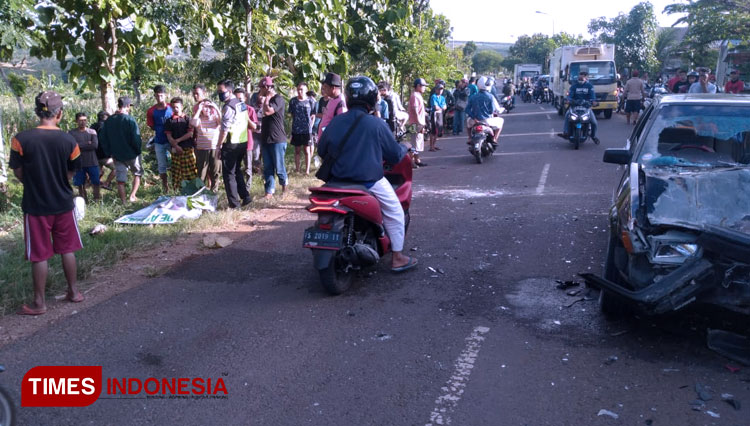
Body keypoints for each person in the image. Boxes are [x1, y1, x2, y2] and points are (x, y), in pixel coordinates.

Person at [318, 76, 418, 273]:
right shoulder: (376, 124)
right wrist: (405, 146)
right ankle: (397, 258)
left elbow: (322, 150)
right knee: (395, 212)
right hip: (368, 183)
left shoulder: (336, 122)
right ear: (373, 99)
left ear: (347, 97)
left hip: (335, 182)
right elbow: (393, 155)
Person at [9, 91, 84, 315]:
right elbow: (72, 171)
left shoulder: (20, 139)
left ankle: (40, 303)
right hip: (63, 203)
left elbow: (18, 172)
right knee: (68, 249)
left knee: (39, 254)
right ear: (59, 113)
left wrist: (33, 183)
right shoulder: (70, 140)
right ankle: (74, 292)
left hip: (35, 206)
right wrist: (59, 181)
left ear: (36, 112)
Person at [215, 79, 252, 208]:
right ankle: (245, 196)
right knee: (236, 171)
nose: (219, 93)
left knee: (228, 174)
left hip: (231, 144)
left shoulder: (228, 107)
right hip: (243, 142)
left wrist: (218, 146)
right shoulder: (240, 104)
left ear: (229, 91)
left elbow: (224, 130)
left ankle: (234, 204)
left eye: (221, 91)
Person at [99, 96, 144, 203]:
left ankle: (123, 201)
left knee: (120, 180)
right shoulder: (129, 119)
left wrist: (109, 152)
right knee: (137, 173)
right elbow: (136, 138)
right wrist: (138, 150)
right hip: (132, 154)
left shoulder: (109, 120)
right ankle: (132, 196)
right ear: (127, 106)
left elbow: (102, 138)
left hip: (117, 155)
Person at [257, 76, 288, 199]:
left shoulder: (278, 99)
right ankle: (269, 192)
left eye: (261, 88)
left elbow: (268, 111)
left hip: (277, 139)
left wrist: (268, 98)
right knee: (268, 167)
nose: (260, 90)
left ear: (266, 87)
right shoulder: (264, 99)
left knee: (279, 167)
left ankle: (285, 188)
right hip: (266, 138)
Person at [191, 83, 222, 191]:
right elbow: (193, 123)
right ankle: (201, 193)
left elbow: (223, 122)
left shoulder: (215, 118)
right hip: (202, 148)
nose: (207, 110)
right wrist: (199, 109)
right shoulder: (199, 118)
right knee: (201, 172)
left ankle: (214, 191)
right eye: (205, 108)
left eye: (209, 108)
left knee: (215, 171)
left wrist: (216, 108)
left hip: (214, 148)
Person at [557, 69, 600, 144]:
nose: (580, 80)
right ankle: (566, 132)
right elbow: (570, 96)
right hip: (574, 107)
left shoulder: (590, 86)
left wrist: (593, 102)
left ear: (586, 78)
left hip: (586, 108)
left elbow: (593, 97)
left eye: (582, 78)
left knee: (594, 123)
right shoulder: (574, 86)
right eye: (579, 78)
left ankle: (593, 136)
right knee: (567, 116)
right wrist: (568, 100)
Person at [165, 97, 198, 190]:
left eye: (177, 107)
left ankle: (193, 189)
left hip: (187, 148)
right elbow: (168, 135)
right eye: (173, 107)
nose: (175, 109)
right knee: (176, 171)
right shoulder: (169, 121)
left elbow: (190, 134)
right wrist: (175, 145)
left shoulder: (188, 119)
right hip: (175, 150)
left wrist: (177, 141)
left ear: (182, 107)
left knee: (191, 170)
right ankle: (178, 190)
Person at [146, 85, 173, 193]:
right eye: (157, 96)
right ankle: (165, 187)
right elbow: (151, 125)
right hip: (159, 141)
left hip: (173, 141)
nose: (159, 98)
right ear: (154, 96)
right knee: (162, 165)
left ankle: (177, 184)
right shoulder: (151, 111)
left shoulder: (172, 107)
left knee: (177, 163)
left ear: (165, 95)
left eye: (161, 95)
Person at [68, 112, 101, 202]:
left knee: (96, 182)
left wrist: (79, 145)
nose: (83, 122)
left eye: (85, 120)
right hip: (79, 162)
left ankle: (96, 199)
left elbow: (94, 145)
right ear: (76, 121)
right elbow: (72, 147)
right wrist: (87, 143)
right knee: (80, 183)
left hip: (92, 161)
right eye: (80, 120)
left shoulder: (92, 132)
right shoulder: (72, 133)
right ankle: (83, 199)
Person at [233, 87, 259, 188]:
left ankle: (247, 188)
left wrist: (245, 116)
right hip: (235, 143)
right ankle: (238, 187)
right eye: (236, 99)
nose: (238, 102)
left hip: (247, 143)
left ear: (245, 98)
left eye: (240, 99)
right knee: (236, 167)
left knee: (248, 167)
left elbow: (254, 127)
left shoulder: (250, 110)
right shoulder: (231, 109)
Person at [465, 76, 504, 144]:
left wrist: (474, 118)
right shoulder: (490, 96)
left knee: (468, 123)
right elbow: (491, 111)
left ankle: (469, 138)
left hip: (475, 121)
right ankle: (495, 138)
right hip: (487, 121)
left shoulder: (473, 97)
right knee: (501, 121)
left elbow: (467, 109)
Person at [288, 82, 316, 174]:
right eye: (298, 89)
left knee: (307, 150)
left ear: (306, 90)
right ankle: (297, 170)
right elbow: (291, 114)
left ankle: (307, 171)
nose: (299, 91)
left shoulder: (311, 101)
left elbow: (313, 115)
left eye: (301, 89)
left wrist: (310, 126)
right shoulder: (293, 101)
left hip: (307, 130)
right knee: (297, 150)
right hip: (296, 129)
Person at [318, 72, 347, 139]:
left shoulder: (341, 103)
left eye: (326, 87)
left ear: (333, 88)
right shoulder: (332, 99)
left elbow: (341, 126)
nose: (324, 89)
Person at [91, 111, 115, 190]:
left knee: (99, 172)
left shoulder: (92, 126)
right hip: (105, 155)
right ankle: (107, 183)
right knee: (117, 168)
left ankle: (93, 186)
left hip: (94, 154)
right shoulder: (107, 127)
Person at [408, 78, 428, 167]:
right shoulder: (415, 96)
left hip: (417, 123)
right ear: (418, 86)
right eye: (423, 86)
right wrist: (419, 122)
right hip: (415, 124)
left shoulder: (418, 95)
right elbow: (415, 109)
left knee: (418, 142)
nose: (425, 88)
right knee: (414, 143)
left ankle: (417, 160)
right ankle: (410, 161)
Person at [428, 83, 446, 151]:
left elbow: (445, 107)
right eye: (439, 89)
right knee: (433, 130)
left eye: (441, 89)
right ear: (436, 90)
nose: (440, 91)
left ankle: (434, 145)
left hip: (440, 114)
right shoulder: (433, 96)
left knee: (438, 130)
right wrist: (441, 107)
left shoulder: (442, 98)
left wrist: (440, 107)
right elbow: (435, 107)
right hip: (434, 114)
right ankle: (431, 146)